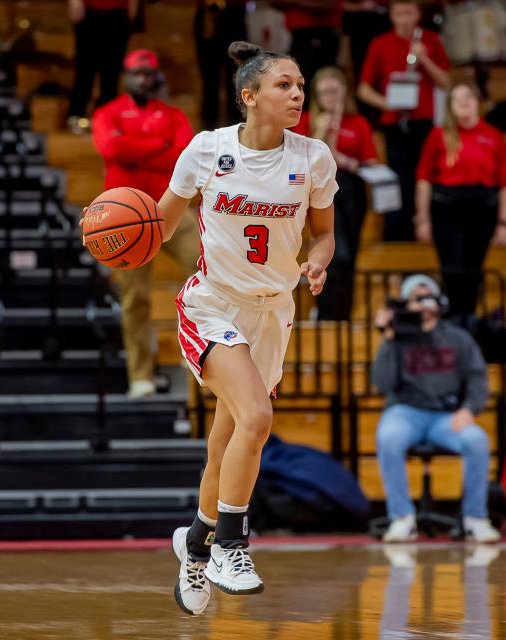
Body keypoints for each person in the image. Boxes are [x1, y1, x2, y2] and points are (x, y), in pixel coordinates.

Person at [152, 41, 336, 614]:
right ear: (249, 96)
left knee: (226, 444)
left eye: (301, 86)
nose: (297, 94)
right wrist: (113, 233)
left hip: (273, 310)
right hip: (213, 305)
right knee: (257, 418)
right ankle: (233, 542)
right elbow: (156, 226)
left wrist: (319, 259)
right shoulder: (207, 150)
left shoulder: (314, 158)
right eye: (285, 85)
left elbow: (326, 233)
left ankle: (196, 547)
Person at [91, 49, 199, 398]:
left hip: (172, 209)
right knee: (135, 298)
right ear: (125, 76)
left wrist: (134, 148)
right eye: (136, 73)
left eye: (147, 73)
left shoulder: (173, 115)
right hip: (125, 218)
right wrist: (158, 146)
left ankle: (194, 349)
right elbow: (111, 150)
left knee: (207, 267)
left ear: (156, 77)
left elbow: (184, 155)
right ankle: (141, 376)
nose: (142, 79)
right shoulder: (107, 113)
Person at [371, 274, 500, 543]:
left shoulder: (458, 339)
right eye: (416, 298)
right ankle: (402, 518)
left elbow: (477, 378)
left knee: (476, 440)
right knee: (389, 437)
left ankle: (476, 519)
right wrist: (389, 338)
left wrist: (469, 410)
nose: (423, 304)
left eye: (427, 296)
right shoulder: (398, 338)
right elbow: (383, 383)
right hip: (405, 411)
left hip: (446, 415)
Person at [415, 83, 506, 317]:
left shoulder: (492, 135)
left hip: (483, 208)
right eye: (457, 98)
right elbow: (423, 180)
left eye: (468, 96)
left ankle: (466, 321)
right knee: (452, 268)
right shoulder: (439, 135)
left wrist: (504, 223)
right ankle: (454, 318)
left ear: (476, 101)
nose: (464, 101)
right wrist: (422, 219)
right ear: (449, 105)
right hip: (447, 207)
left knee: (473, 269)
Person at [358, 0, 450, 241]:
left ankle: (426, 227)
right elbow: (364, 89)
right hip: (393, 122)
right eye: (399, 13)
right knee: (398, 178)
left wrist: (425, 60)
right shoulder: (380, 43)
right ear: (391, 16)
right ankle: (397, 235)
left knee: (425, 175)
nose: (405, 18)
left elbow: (445, 82)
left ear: (418, 14)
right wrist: (386, 103)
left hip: (423, 121)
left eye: (409, 13)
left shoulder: (431, 40)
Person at [292, 66, 378, 320]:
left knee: (349, 257)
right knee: (335, 255)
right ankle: (327, 313)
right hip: (320, 191)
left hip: (351, 190)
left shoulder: (357, 122)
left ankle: (344, 316)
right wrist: (321, 133)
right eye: (324, 92)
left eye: (334, 91)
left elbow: (371, 162)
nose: (330, 97)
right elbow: (297, 162)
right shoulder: (306, 121)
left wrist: (344, 158)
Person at [66, 0, 138, 134]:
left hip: (118, 14)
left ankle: (107, 120)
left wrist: (132, 9)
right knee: (85, 68)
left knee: (112, 71)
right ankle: (76, 115)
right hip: (88, 12)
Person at [272, 0, 343, 104]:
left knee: (323, 81)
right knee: (297, 81)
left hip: (323, 33)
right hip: (297, 36)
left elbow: (329, 4)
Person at [194, 0, 248, 130]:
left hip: (234, 16)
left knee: (236, 81)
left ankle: (236, 134)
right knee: (209, 82)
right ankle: (208, 133)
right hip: (208, 16)